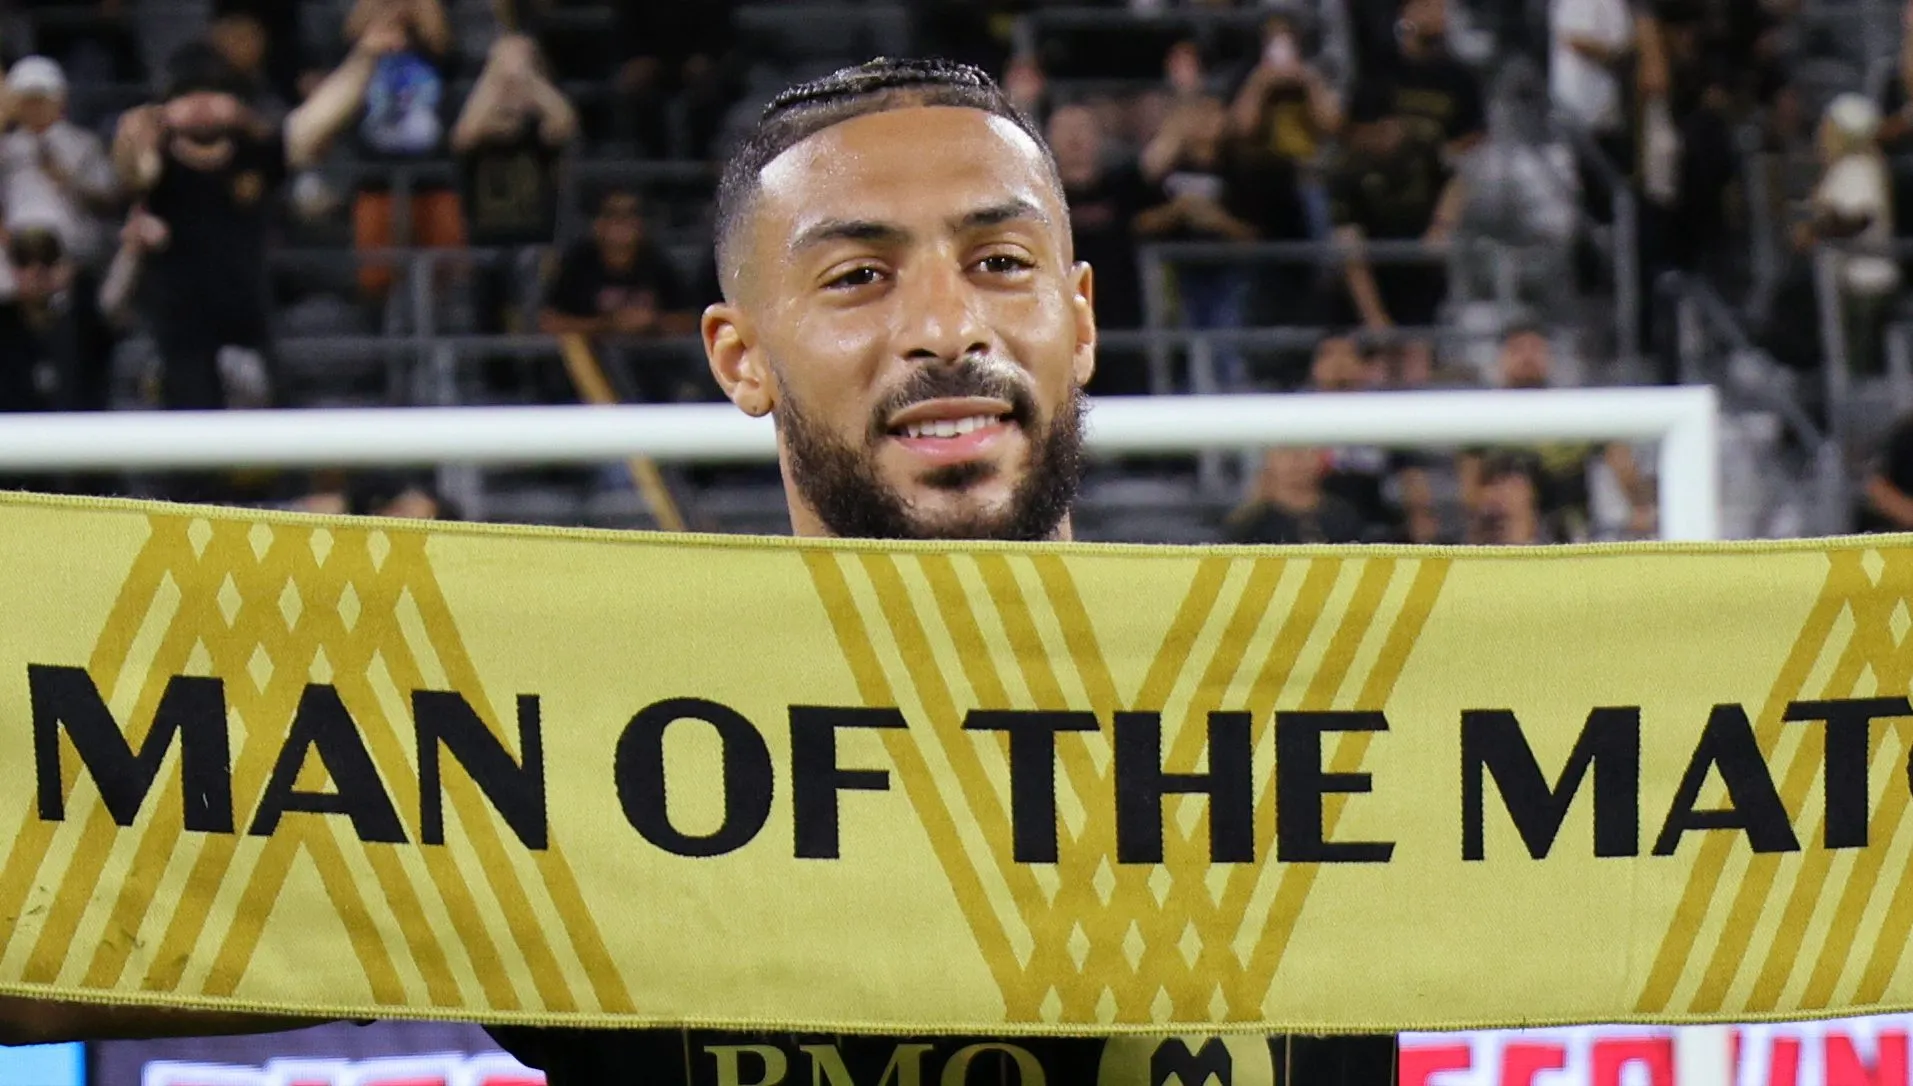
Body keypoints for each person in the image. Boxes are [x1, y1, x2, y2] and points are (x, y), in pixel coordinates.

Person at [0, 57, 1400, 1085]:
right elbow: (67, 952)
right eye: (856, 277)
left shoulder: (1313, 712)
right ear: (740, 355)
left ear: (1079, 319)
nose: (942, 326)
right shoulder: (583, 742)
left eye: (999, 261)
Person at [111, 25, 407, 415]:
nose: (200, 103)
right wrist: (129, 138)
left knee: (269, 455)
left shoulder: (255, 155)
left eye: (214, 91)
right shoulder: (158, 162)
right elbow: (133, 171)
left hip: (252, 329)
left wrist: (365, 57)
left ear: (237, 101)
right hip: (180, 343)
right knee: (194, 459)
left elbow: (316, 120)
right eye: (185, 94)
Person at [1459, 322, 1656, 541]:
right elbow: (1469, 490)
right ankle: (1518, 566)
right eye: (1518, 350)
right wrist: (1497, 499)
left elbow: (1619, 456)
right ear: (1502, 359)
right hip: (1505, 516)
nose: (1527, 358)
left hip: (1568, 513)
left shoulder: (1574, 412)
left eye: (1535, 349)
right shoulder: (1482, 417)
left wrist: (1639, 509)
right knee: (1516, 490)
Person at [451, 33, 576, 332]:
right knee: (485, 320)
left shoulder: (539, 128)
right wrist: (496, 75)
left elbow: (565, 124)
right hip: (484, 239)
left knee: (533, 319)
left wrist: (529, 78)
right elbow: (464, 135)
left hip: (534, 238)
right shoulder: (479, 126)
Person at [342, 0, 461, 300]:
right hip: (375, 175)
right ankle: (379, 338)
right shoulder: (361, 54)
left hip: (433, 175)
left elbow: (441, 40)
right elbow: (349, 37)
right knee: (375, 277)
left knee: (447, 271)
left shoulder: (435, 52)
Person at [539, 188, 700, 402]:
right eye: (613, 214)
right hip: (590, 369)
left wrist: (652, 322)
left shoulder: (656, 261)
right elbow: (549, 322)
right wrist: (608, 325)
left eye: (631, 214)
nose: (622, 223)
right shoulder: (578, 262)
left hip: (652, 367)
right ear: (598, 223)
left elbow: (688, 321)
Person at [1046, 103, 1150, 393]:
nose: (1074, 138)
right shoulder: (1034, 198)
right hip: (1056, 334)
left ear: (1098, 138)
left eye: (1082, 129)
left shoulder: (1124, 187)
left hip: (1123, 332)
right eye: (1065, 130)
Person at [0, 56, 118, 267]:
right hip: (17, 255)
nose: (34, 107)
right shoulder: (6, 148)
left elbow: (108, 197)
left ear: (60, 99)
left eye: (41, 99)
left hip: (74, 251)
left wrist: (69, 180)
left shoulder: (84, 143)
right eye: (27, 100)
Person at [1224, 445, 1369, 544]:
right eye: (1285, 451)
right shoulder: (1248, 523)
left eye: (1306, 450)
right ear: (1269, 458)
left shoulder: (1343, 516)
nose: (1296, 460)